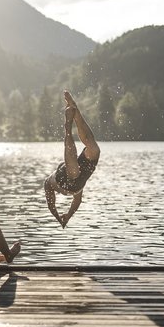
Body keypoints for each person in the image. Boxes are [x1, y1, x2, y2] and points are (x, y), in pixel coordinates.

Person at [44, 90, 100, 228]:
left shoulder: (50, 182)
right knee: (91, 153)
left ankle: (69, 123)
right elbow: (74, 202)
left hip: (71, 178)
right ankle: (73, 117)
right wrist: (64, 217)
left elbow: (52, 206)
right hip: (74, 181)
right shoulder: (50, 184)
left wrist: (62, 217)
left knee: (88, 156)